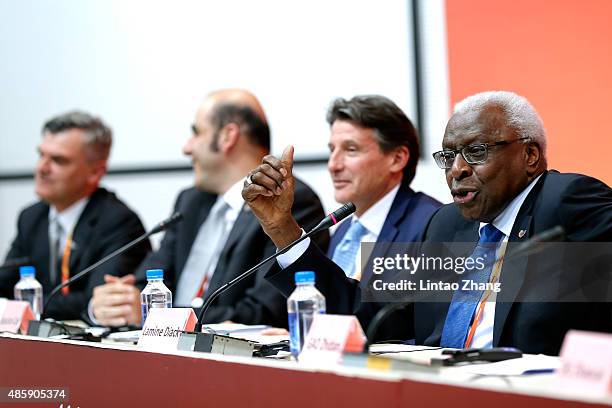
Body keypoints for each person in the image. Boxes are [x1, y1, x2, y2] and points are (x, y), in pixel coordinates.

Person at [243, 90, 612, 355]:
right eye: (449, 156)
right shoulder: (449, 225)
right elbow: (367, 317)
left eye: (476, 152)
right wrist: (283, 229)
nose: (458, 170)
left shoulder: (564, 201)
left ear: (530, 156)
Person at [90, 89, 328, 328]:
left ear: (228, 137)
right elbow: (150, 281)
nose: (186, 148)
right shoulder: (190, 201)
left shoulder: (287, 202)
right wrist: (114, 303)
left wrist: (161, 317)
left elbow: (265, 313)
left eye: (196, 133)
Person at [244, 95, 441, 339]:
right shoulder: (345, 229)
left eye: (350, 150)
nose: (333, 165)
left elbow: (397, 327)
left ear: (397, 158)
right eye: (331, 150)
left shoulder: (431, 224)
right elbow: (335, 306)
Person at [1, 111, 150, 320]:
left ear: (95, 172)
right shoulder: (31, 217)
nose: (42, 168)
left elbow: (97, 301)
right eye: (41, 155)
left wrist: (25, 307)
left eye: (58, 160)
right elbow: (6, 283)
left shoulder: (119, 222)